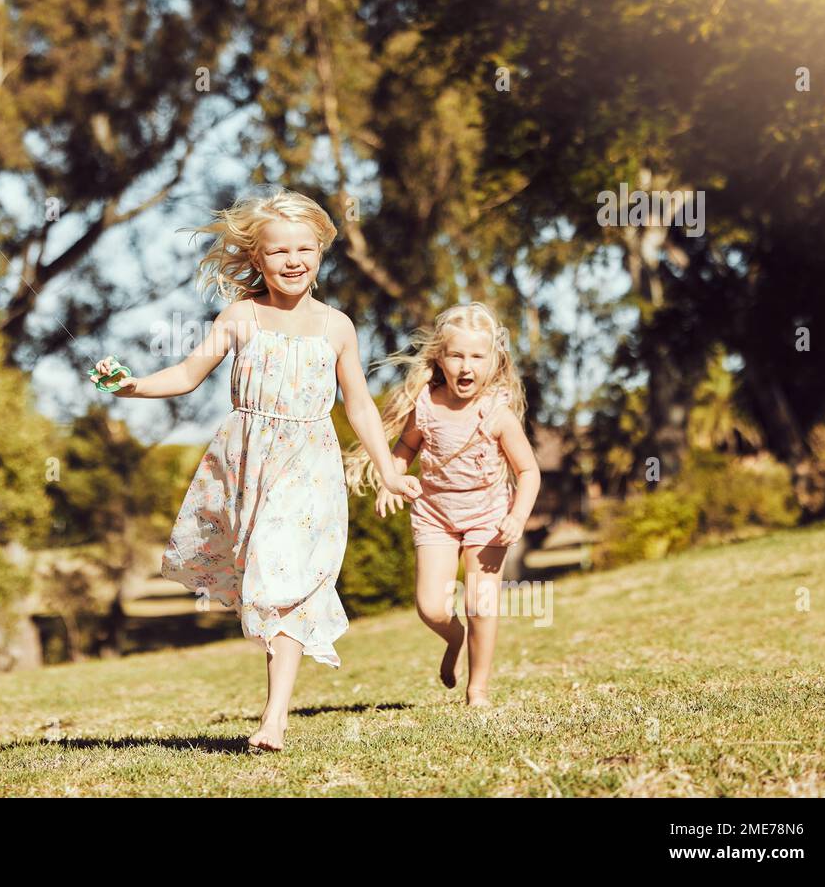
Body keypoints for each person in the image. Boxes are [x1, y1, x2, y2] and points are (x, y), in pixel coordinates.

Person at [89, 186, 420, 751]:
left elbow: (359, 404)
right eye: (278, 251)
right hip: (247, 464)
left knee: (287, 577)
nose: (293, 261)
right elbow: (188, 375)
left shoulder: (336, 326)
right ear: (256, 258)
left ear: (320, 252)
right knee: (263, 579)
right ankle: (274, 710)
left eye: (305, 249)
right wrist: (132, 385)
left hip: (309, 466)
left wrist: (387, 469)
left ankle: (274, 718)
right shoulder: (242, 315)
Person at [344, 302, 540, 708]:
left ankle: (478, 689)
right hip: (435, 515)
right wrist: (392, 481)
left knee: (479, 603)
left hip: (488, 516)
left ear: (493, 361)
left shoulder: (497, 414)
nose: (466, 366)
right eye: (456, 355)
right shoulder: (427, 405)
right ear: (440, 358)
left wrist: (518, 515)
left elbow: (529, 472)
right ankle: (455, 640)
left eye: (476, 356)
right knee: (431, 607)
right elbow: (404, 447)